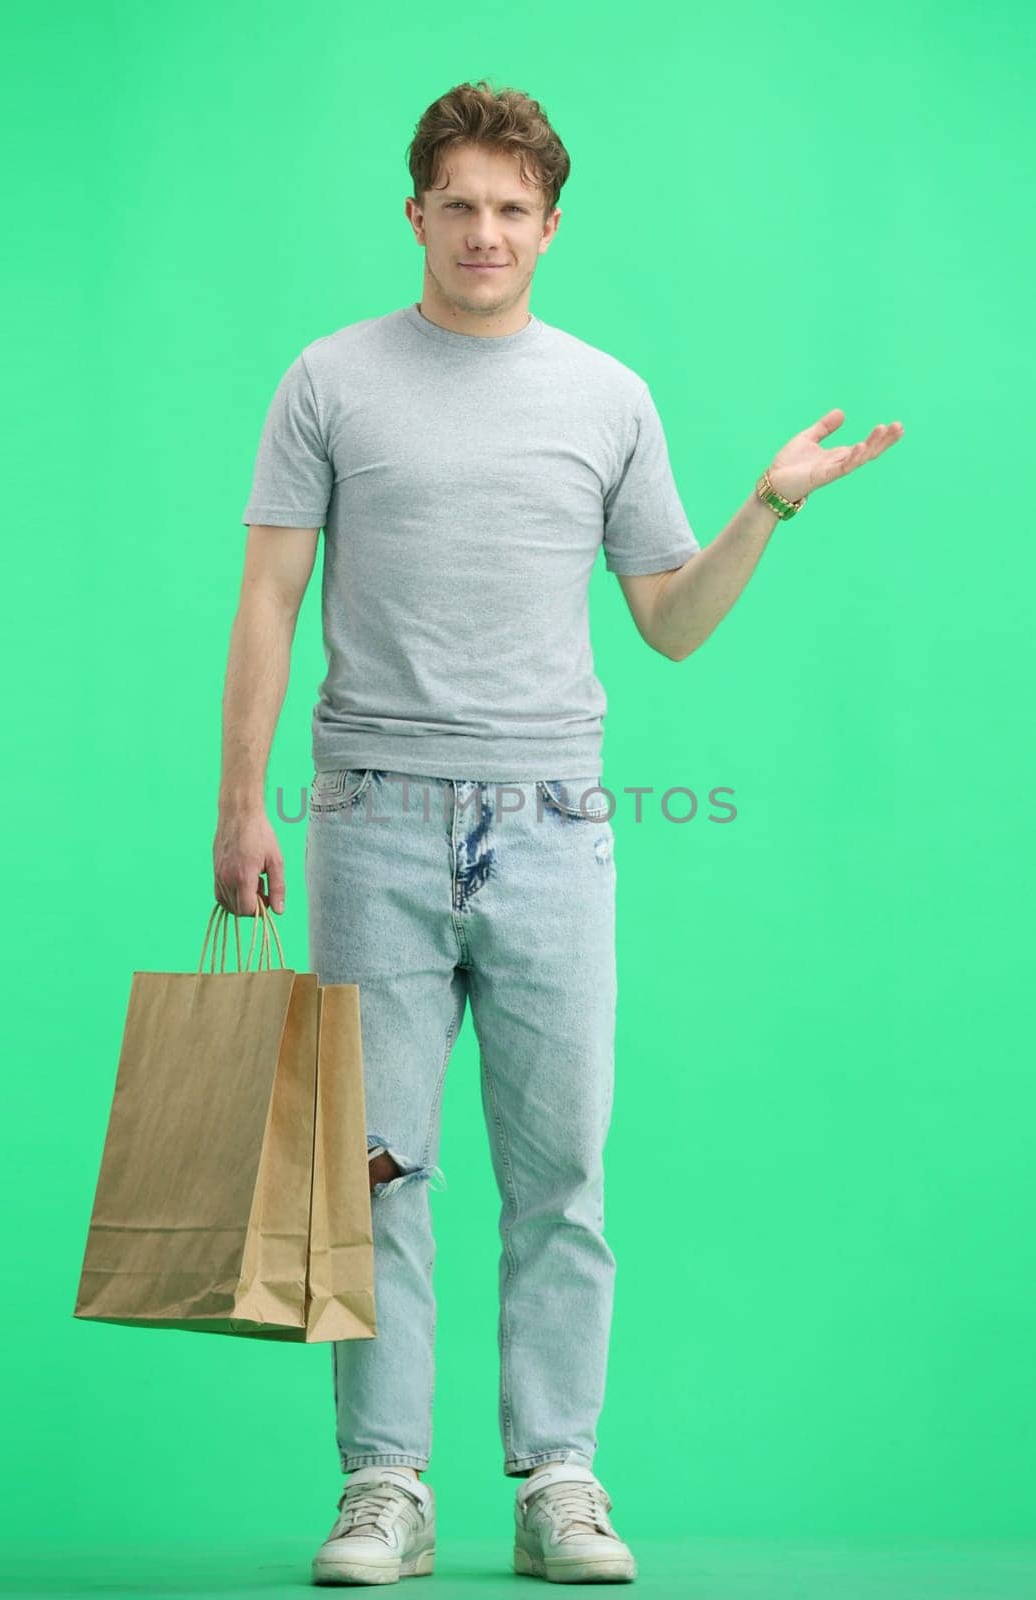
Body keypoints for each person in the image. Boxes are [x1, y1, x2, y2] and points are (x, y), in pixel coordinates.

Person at [213, 78, 903, 1590]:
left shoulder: (607, 394)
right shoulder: (329, 378)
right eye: (456, 202)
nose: (483, 230)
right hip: (370, 816)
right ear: (416, 213)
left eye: (511, 208)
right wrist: (238, 803)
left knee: (562, 1173)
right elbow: (268, 597)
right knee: (379, 1170)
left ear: (551, 226)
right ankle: (384, 1484)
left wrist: (767, 510)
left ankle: (558, 1483)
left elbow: (667, 625)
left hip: (552, 825)